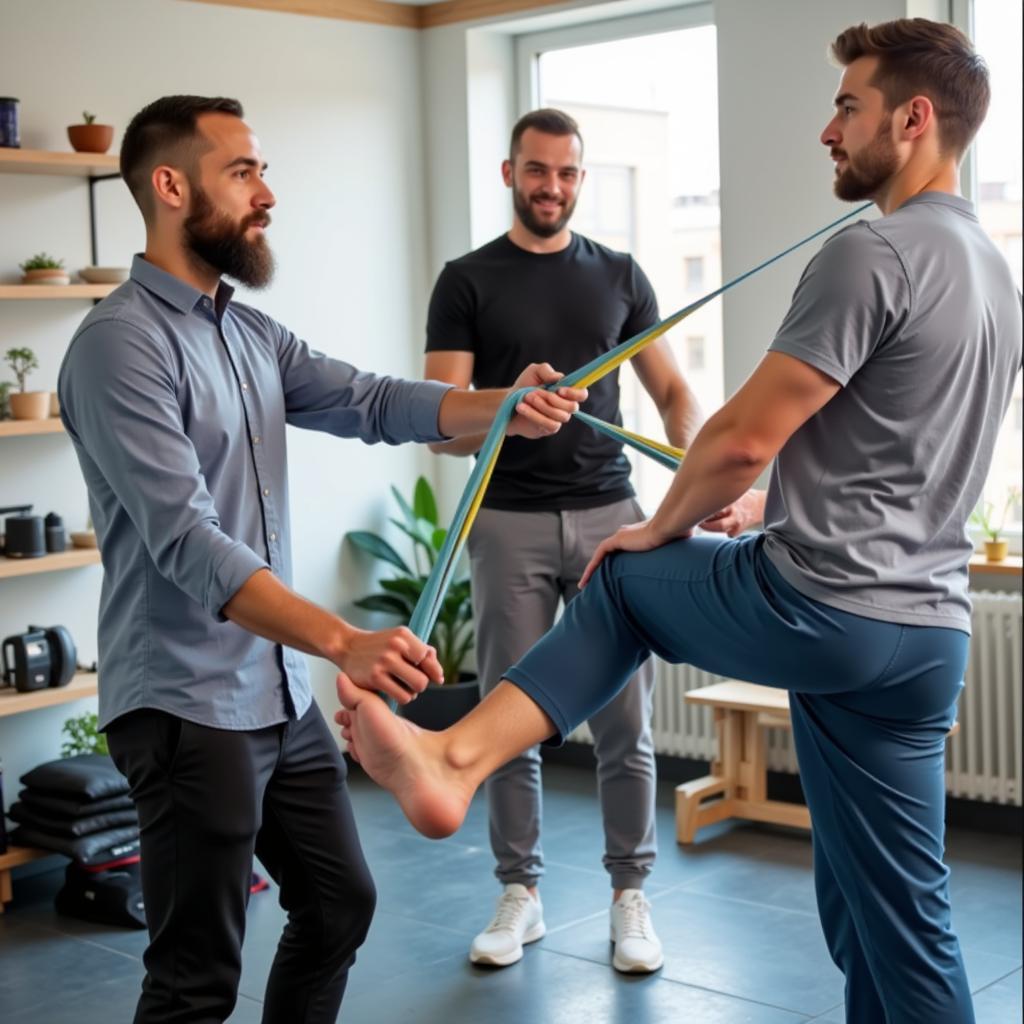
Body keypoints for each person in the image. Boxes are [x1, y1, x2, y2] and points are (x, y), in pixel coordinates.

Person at [337, 18, 1022, 1024]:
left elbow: (742, 432)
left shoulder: (867, 253)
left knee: (623, 579)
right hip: (925, 637)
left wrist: (661, 525)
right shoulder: (995, 274)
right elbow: (896, 443)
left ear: (913, 119)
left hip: (828, 608)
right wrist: (764, 505)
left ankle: (453, 758)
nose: (826, 132)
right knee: (882, 910)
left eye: (846, 106)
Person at [57, 95, 586, 1024]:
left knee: (340, 904)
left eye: (263, 170)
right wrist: (344, 641)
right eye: (244, 171)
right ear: (172, 186)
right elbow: (188, 542)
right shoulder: (119, 347)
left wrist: (506, 401)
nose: (267, 193)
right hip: (183, 705)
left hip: (270, 693)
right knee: (195, 979)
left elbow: (374, 402)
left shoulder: (248, 332)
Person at [423, 108, 701, 972]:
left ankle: (630, 896)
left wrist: (699, 487)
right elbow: (443, 426)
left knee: (627, 719)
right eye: (537, 171)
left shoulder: (620, 275)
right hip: (505, 520)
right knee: (509, 714)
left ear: (581, 178)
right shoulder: (465, 280)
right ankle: (521, 892)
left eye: (568, 173)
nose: (552, 187)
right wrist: (510, 409)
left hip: (611, 518)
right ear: (509, 173)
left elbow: (674, 396)